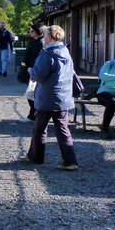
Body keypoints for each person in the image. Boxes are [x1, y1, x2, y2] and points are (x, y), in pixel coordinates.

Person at [20, 25, 79, 170]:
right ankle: (70, 161)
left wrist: (31, 71)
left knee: (40, 128)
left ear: (50, 37)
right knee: (63, 129)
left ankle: (36, 157)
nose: (44, 37)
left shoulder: (47, 54)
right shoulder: (65, 52)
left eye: (45, 35)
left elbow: (39, 75)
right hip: (63, 96)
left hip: (47, 97)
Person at [19, 24, 46, 122]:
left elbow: (37, 58)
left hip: (33, 71)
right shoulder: (36, 42)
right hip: (30, 70)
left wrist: (33, 72)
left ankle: (33, 115)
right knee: (31, 93)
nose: (31, 33)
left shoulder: (40, 43)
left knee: (32, 94)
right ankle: (33, 114)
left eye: (32, 31)